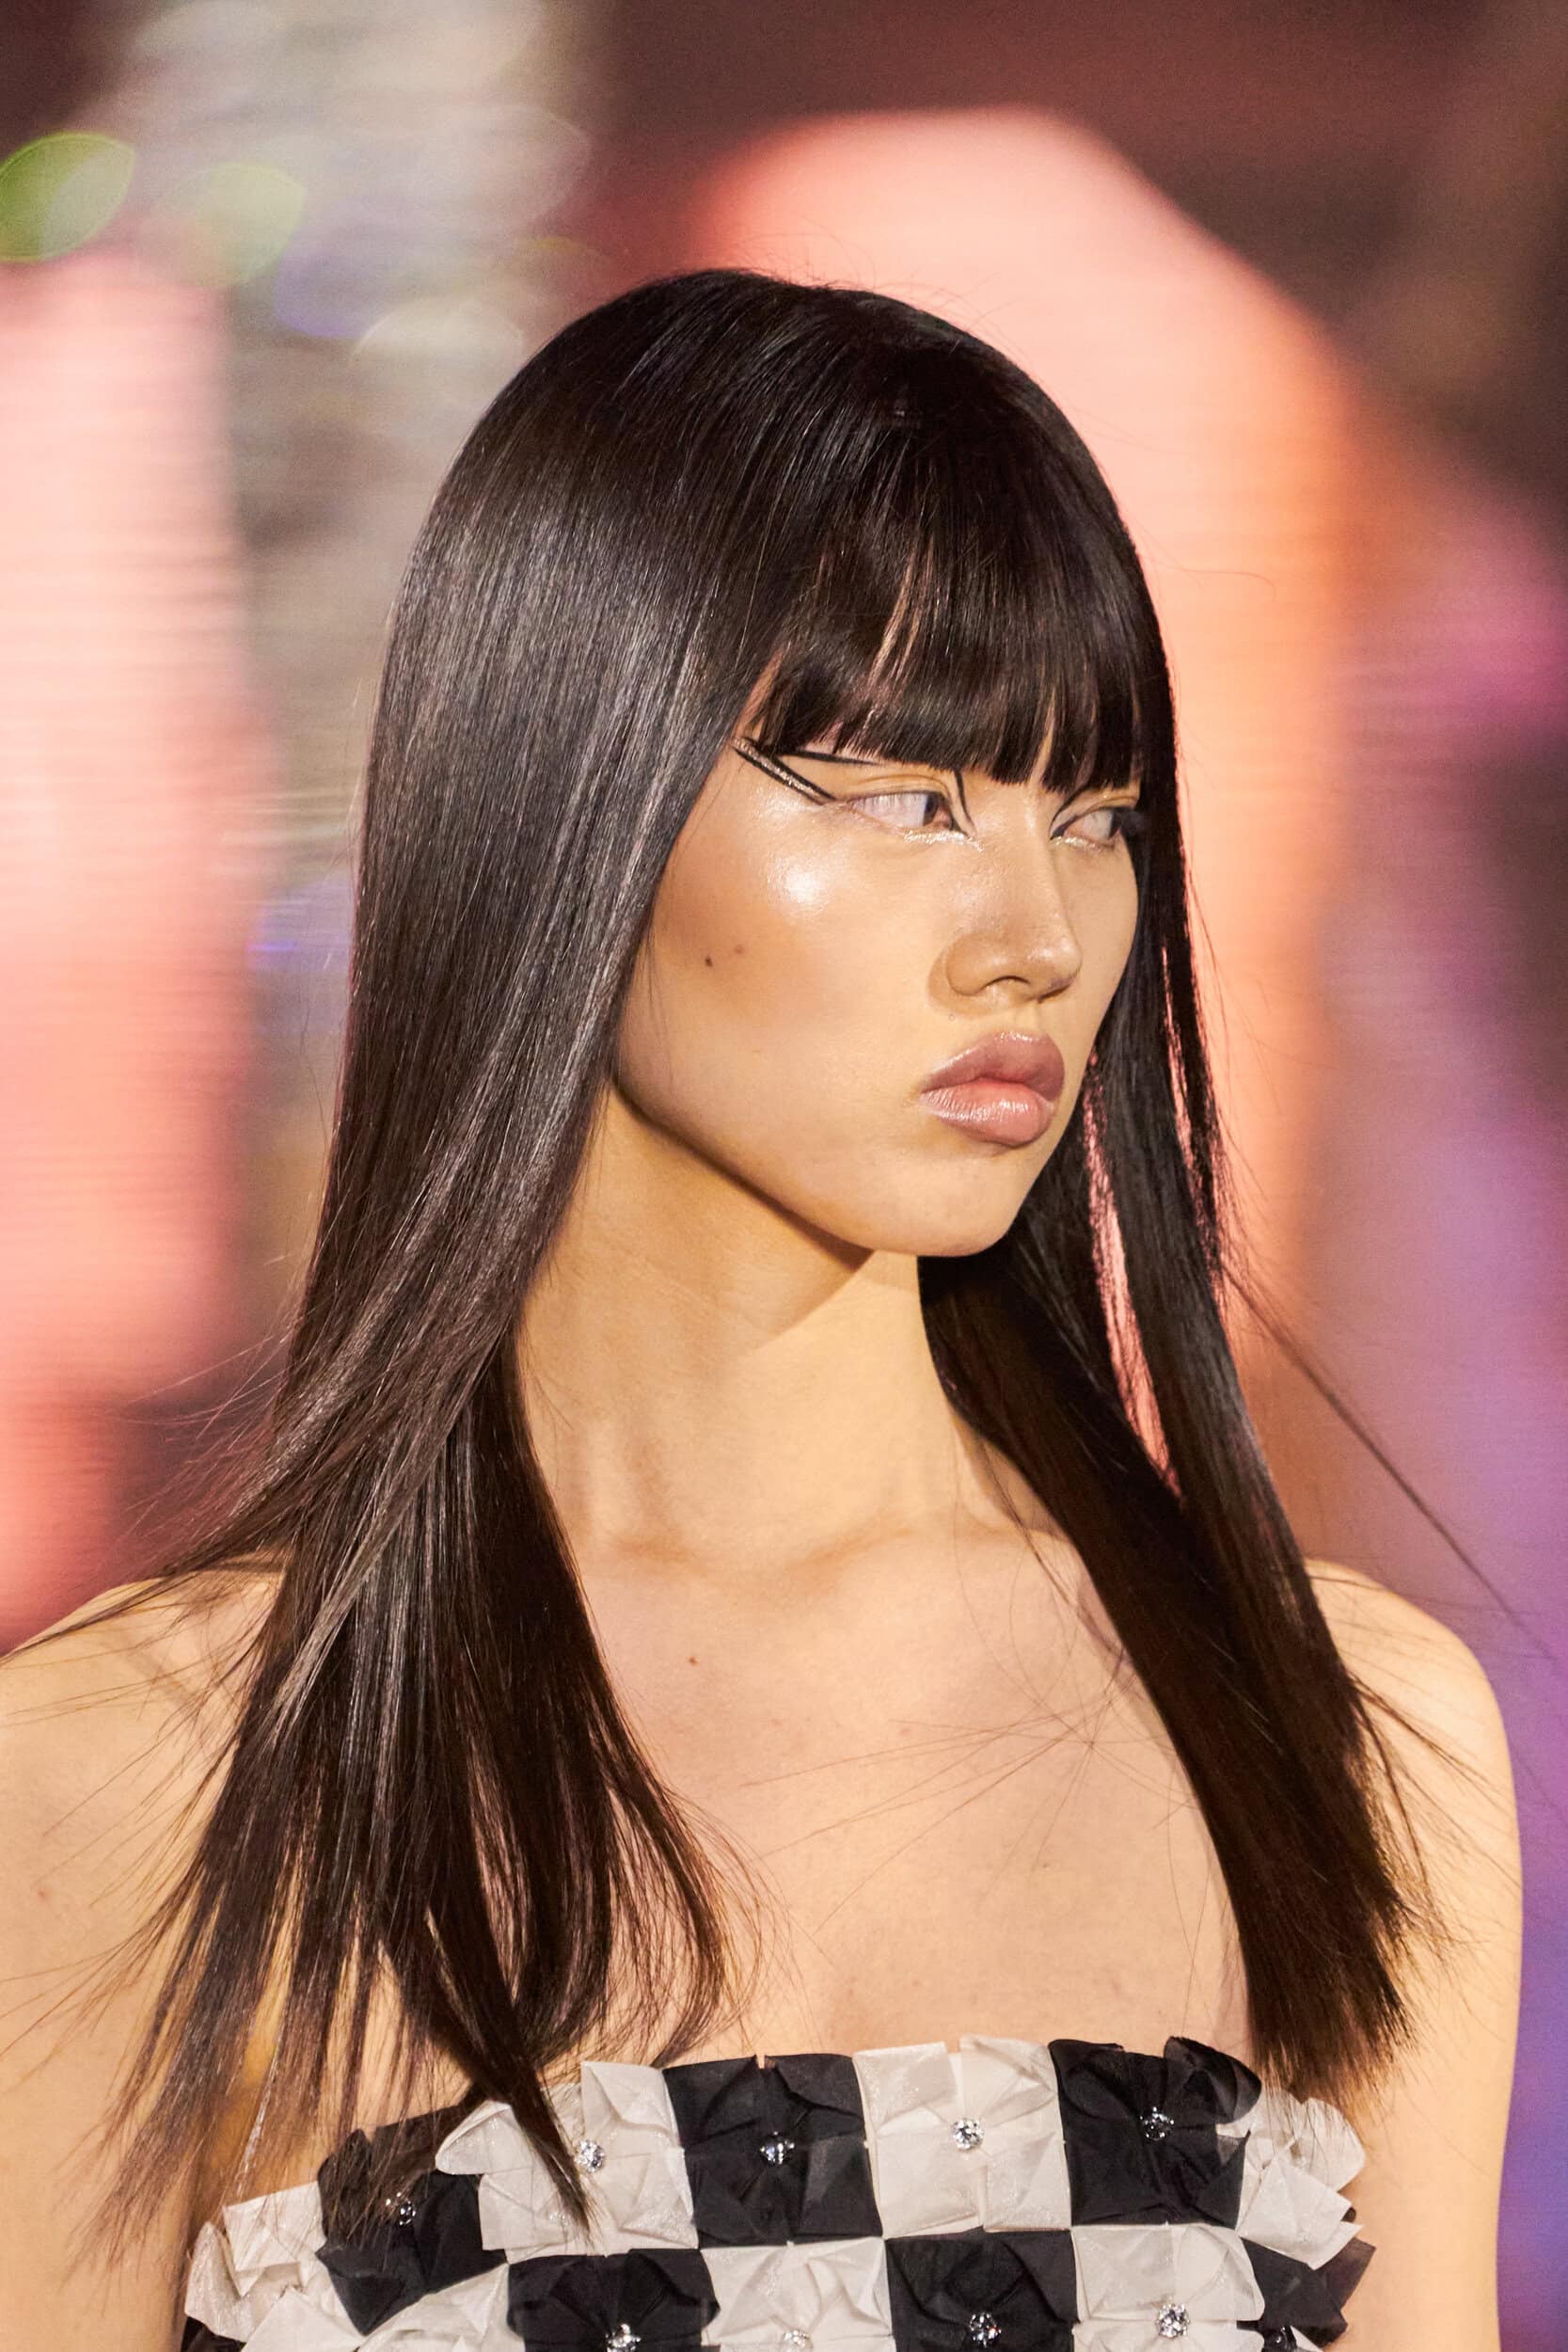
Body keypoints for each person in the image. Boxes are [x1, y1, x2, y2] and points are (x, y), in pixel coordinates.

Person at [0, 268, 1520, 2350]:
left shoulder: (1337, 1738)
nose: (1032, 936)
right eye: (901, 797)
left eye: (1095, 818)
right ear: (564, 792)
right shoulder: (135, 1786)